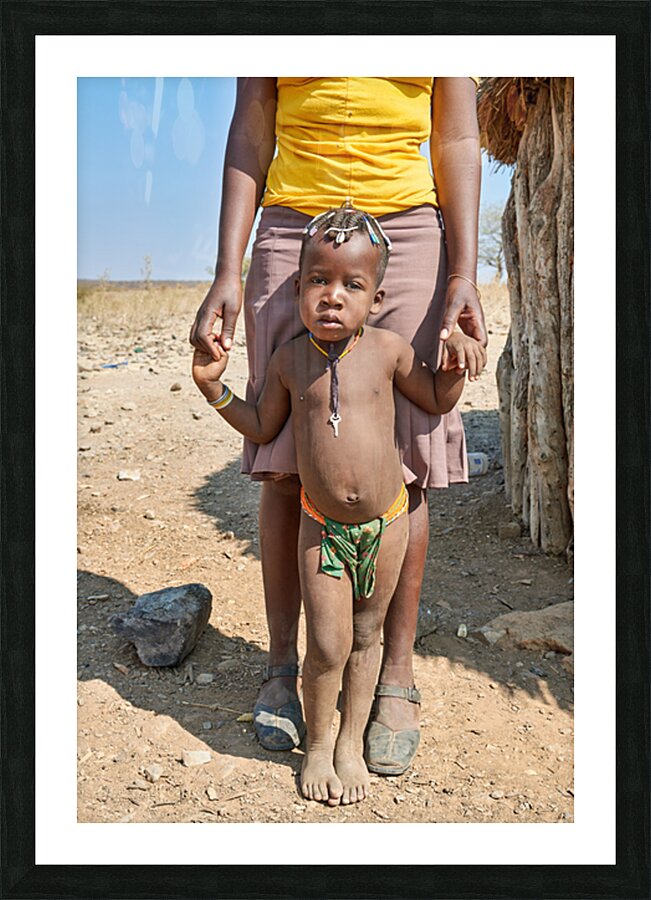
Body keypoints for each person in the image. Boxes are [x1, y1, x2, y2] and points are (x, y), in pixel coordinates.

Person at [189, 78, 487, 776]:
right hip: (292, 222)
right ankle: (279, 666)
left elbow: (455, 136)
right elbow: (253, 126)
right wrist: (227, 270)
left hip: (406, 229)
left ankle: (392, 676)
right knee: (282, 457)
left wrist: (463, 274)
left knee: (407, 463)